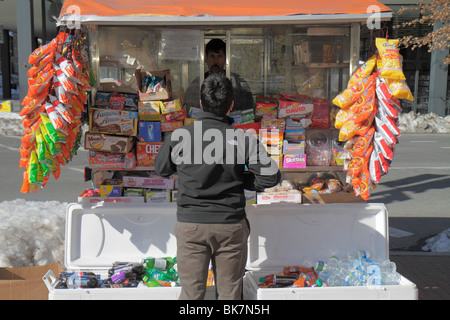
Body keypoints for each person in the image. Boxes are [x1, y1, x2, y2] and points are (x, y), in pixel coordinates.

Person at [154, 73, 280, 300]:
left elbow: (162, 168)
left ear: (201, 104)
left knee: (191, 295)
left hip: (190, 225)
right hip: (230, 225)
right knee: (230, 294)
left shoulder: (180, 135)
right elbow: (271, 177)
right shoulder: (244, 138)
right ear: (231, 105)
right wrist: (242, 179)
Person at [185, 38, 255, 115]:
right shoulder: (196, 84)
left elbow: (248, 111)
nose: (215, 61)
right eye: (212, 56)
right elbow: (190, 111)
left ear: (225, 58)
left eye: (219, 56)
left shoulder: (237, 82)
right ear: (206, 58)